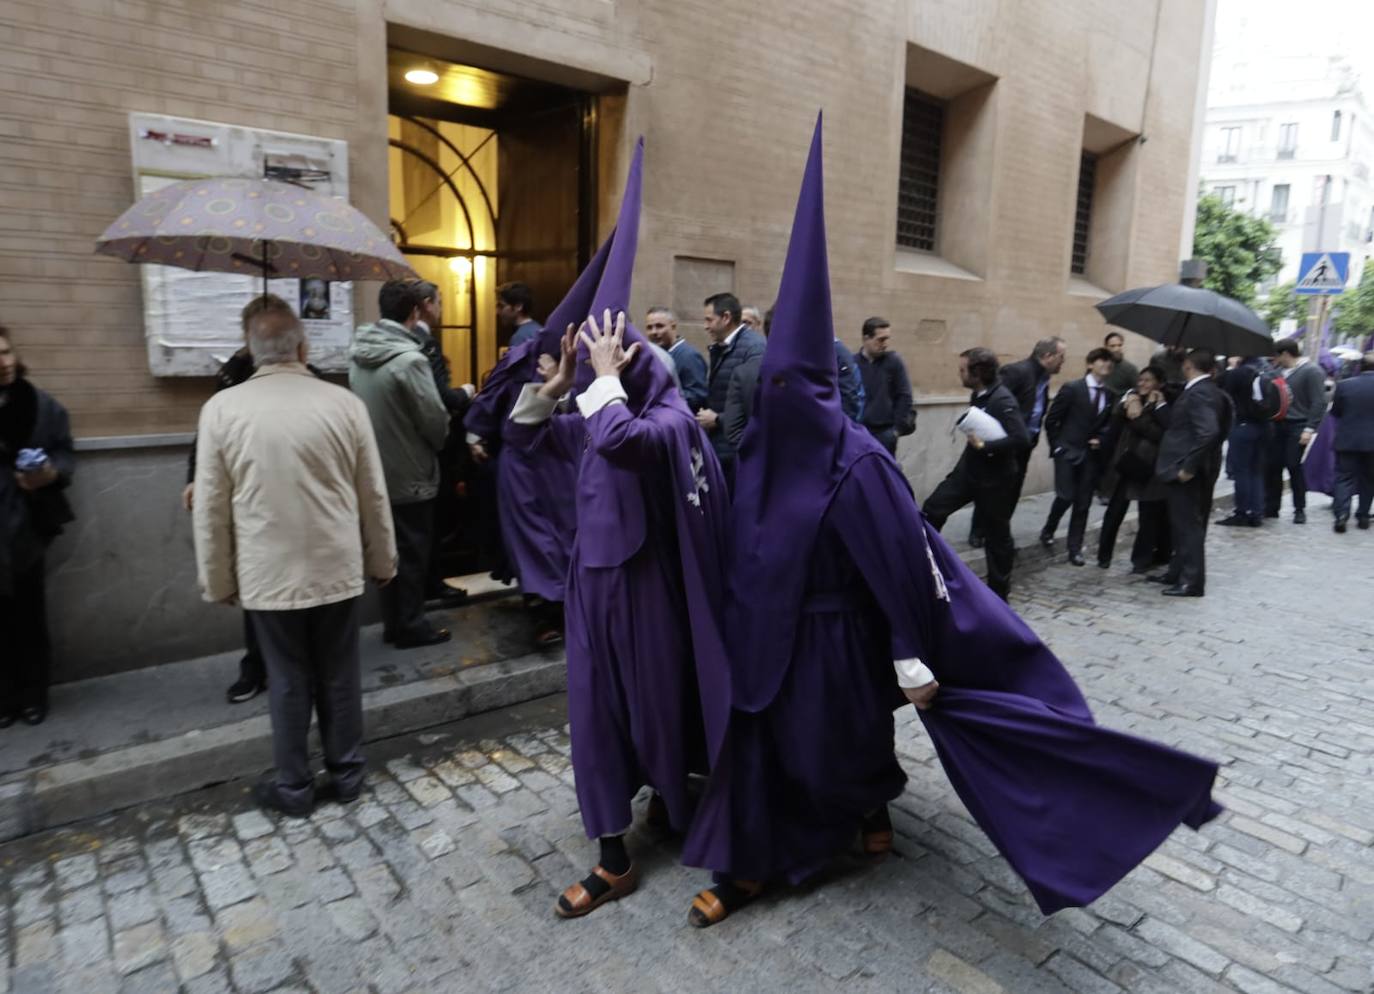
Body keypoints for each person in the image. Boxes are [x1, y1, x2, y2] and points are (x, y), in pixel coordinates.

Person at [681, 117, 1221, 928]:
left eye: (798, 386)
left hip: (838, 641)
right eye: (774, 386)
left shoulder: (856, 462)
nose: (781, 399)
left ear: (822, 390)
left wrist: (906, 654)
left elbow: (902, 563)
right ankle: (763, 854)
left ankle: (840, 823)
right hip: (766, 637)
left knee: (834, 750)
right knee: (765, 751)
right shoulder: (758, 451)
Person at [505, 144, 731, 920]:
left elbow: (629, 442)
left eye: (607, 353)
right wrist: (560, 387)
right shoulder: (592, 410)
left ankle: (672, 802)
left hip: (646, 598)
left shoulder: (663, 417)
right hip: (589, 594)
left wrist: (603, 379)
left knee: (658, 711)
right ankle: (612, 855)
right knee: (597, 722)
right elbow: (526, 440)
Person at [192, 299, 396, 817]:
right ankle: (347, 774)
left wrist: (217, 579)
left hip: (268, 572)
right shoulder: (344, 404)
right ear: (303, 347)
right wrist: (383, 560)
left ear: (251, 350)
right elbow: (372, 492)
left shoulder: (221, 409)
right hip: (336, 566)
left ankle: (295, 786)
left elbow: (212, 507)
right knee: (340, 674)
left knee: (286, 680)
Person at [183, 296, 320, 704]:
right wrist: (195, 477)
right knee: (257, 592)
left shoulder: (307, 376)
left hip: (296, 496)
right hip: (250, 495)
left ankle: (298, 667)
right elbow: (206, 431)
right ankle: (257, 667)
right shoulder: (233, 373)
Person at [350, 280, 452, 648]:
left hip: (375, 470)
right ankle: (409, 625)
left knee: (388, 550)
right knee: (412, 552)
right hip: (411, 471)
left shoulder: (359, 353)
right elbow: (434, 421)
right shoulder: (411, 360)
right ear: (414, 312)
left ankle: (394, 622)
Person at [0, 326, 74, 728]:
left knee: (29, 615)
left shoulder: (39, 405)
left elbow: (65, 452)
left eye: (7, 352)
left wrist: (49, 473)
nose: (4, 362)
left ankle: (34, 694)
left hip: (26, 527)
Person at [922, 347, 1030, 600]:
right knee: (932, 509)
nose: (959, 374)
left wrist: (986, 446)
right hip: (969, 472)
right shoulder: (979, 394)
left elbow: (1021, 439)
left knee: (997, 538)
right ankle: (925, 566)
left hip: (995, 480)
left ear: (978, 372)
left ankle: (998, 597)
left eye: (963, 370)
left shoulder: (1002, 400)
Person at [412, 280, 475, 605]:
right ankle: (431, 583)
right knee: (435, 520)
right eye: (439, 302)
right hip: (431, 449)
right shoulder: (425, 344)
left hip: (409, 451)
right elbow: (441, 398)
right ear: (425, 303)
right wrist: (465, 392)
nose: (442, 309)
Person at [970, 336, 1066, 547]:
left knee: (1012, 489)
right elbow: (988, 397)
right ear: (1047, 356)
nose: (1063, 361)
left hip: (1024, 444)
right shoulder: (1017, 371)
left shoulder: (1043, 378)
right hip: (1005, 442)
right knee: (992, 487)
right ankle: (978, 531)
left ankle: (999, 531)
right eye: (1061, 356)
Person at [1150, 349, 1226, 597]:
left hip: (1188, 471)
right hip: (1197, 467)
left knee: (1188, 527)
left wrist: (1188, 467)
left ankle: (1191, 581)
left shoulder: (1200, 393)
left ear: (1188, 365)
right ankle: (1177, 572)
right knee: (1182, 525)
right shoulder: (1207, 390)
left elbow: (1209, 432)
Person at [1039, 348, 1117, 565]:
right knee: (1065, 496)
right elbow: (1052, 420)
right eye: (1102, 360)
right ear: (1090, 363)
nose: (1106, 365)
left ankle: (1075, 548)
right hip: (1067, 452)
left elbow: (1108, 425)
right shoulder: (1073, 388)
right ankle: (1049, 527)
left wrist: (1100, 439)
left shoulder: (1109, 394)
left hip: (1090, 456)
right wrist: (1057, 447)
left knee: (1083, 503)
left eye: (1109, 362)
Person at [1095, 366, 1171, 571]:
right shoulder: (1130, 399)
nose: (1142, 384)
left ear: (1159, 383)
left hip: (1147, 467)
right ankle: (1104, 556)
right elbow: (1116, 418)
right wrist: (1129, 399)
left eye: (1148, 380)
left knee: (1148, 516)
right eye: (1140, 380)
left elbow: (1159, 434)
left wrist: (1142, 415)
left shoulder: (1164, 405)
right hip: (1126, 463)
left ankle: (1141, 560)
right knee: (1114, 511)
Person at [698, 292, 766, 486]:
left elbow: (756, 406)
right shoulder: (720, 347)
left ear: (726, 318)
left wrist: (718, 419)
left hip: (737, 451)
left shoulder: (754, 349)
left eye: (709, 320)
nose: (705, 326)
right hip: (721, 446)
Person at [1264, 338, 1328, 524]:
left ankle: (1299, 509)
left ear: (1285, 354)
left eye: (1278, 355)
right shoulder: (1277, 372)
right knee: (1273, 466)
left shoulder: (1311, 371)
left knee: (1293, 465)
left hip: (1298, 425)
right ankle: (1272, 507)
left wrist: (1310, 428)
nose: (1276, 359)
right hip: (1278, 425)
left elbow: (1319, 402)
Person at [1216, 356, 1270, 528]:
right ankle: (1256, 512)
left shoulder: (1237, 374)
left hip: (1243, 425)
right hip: (1263, 427)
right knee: (1256, 471)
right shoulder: (1265, 373)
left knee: (1242, 472)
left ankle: (1242, 512)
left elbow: (1223, 393)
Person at [854, 317, 915, 455]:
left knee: (884, 474)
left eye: (887, 339)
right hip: (858, 433)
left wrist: (896, 431)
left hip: (884, 434)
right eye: (881, 339)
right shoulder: (853, 363)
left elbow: (905, 396)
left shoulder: (893, 362)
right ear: (866, 338)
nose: (885, 344)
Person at [1330, 352, 1374, 532]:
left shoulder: (1344, 385)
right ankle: (1363, 515)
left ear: (1360, 366)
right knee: (1370, 480)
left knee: (1344, 478)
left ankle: (1341, 514)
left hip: (1348, 439)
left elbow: (1336, 412)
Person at [644, 306, 708, 411]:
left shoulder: (688, 356)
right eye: (649, 327)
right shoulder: (657, 355)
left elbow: (697, 395)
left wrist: (664, 396)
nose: (654, 332)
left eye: (659, 326)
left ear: (673, 327)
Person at [497, 282, 543, 348]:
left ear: (518, 306)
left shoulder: (520, 338)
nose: (498, 312)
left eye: (501, 306)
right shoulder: (538, 329)